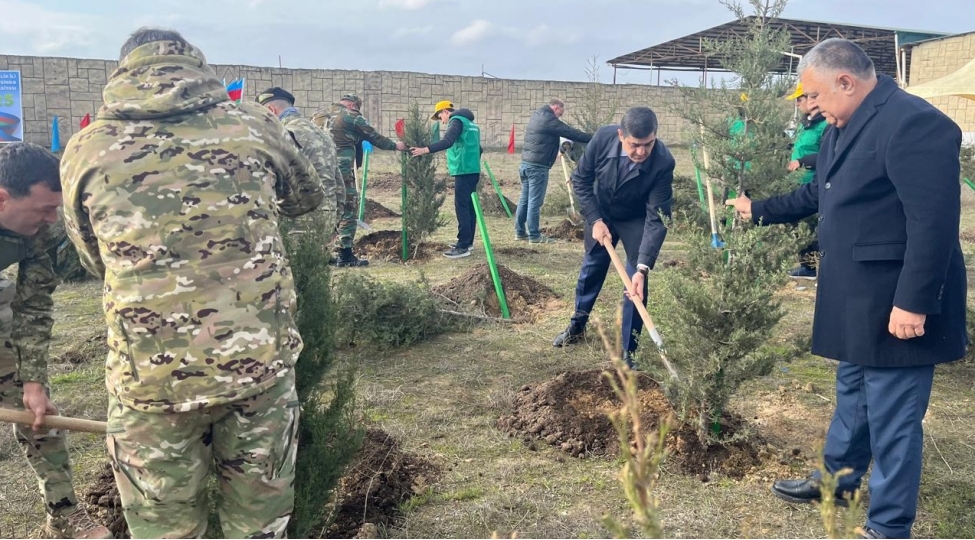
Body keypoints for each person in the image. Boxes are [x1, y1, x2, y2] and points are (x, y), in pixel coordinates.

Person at [59, 27, 326, 539]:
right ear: (197, 64)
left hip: (150, 382)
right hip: (258, 371)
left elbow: (94, 258)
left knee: (163, 529)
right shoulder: (253, 122)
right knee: (259, 528)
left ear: (123, 69)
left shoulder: (87, 145)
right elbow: (305, 198)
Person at [726, 38, 967, 539]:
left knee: (894, 417)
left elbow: (933, 223)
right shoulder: (840, 126)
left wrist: (913, 302)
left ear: (845, 81)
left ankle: (888, 525)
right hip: (855, 295)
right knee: (853, 393)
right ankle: (838, 482)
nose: (808, 105)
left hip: (897, 299)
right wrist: (760, 209)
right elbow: (822, 192)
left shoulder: (914, 124)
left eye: (812, 95)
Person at [0, 143, 111, 539]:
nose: (53, 217)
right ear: (2, 199)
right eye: (45, 209)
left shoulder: (39, 228)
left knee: (39, 415)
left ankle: (62, 513)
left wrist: (33, 382)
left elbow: (32, 306)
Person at [552, 107, 675, 368]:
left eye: (648, 144)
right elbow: (581, 180)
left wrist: (643, 267)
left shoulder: (663, 162)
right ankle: (577, 324)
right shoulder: (603, 139)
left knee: (635, 282)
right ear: (621, 135)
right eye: (634, 145)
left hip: (636, 218)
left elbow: (658, 217)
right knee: (592, 267)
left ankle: (629, 350)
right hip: (602, 212)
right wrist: (595, 219)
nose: (641, 152)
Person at [312, 94, 407, 267]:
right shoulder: (352, 116)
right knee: (348, 208)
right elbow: (374, 136)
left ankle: (320, 253)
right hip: (341, 171)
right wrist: (396, 146)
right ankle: (345, 255)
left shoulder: (318, 116)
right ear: (352, 105)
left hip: (318, 171)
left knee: (324, 210)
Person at [258, 86, 342, 234]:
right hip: (326, 218)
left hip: (297, 224)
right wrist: (334, 222)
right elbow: (339, 185)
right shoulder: (322, 134)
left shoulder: (282, 134)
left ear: (271, 110)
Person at [411, 100, 483, 259]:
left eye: (440, 117)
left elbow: (447, 142)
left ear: (445, 111)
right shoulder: (471, 124)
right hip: (473, 170)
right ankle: (468, 241)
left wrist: (425, 150)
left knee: (462, 206)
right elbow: (479, 148)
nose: (442, 122)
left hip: (463, 171)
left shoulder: (455, 121)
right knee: (470, 207)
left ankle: (463, 246)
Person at [516, 99, 592, 243]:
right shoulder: (549, 119)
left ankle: (520, 232)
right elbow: (569, 132)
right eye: (560, 114)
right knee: (535, 202)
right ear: (556, 108)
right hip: (538, 167)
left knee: (524, 200)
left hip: (526, 164)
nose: (559, 117)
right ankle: (534, 235)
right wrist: (593, 137)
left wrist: (563, 147)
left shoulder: (537, 115)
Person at [785, 81, 828, 280]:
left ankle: (812, 267)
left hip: (814, 183)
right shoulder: (806, 124)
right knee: (799, 226)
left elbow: (827, 155)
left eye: (799, 99)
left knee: (811, 227)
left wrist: (802, 162)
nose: (797, 104)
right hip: (798, 182)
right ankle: (806, 265)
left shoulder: (825, 126)